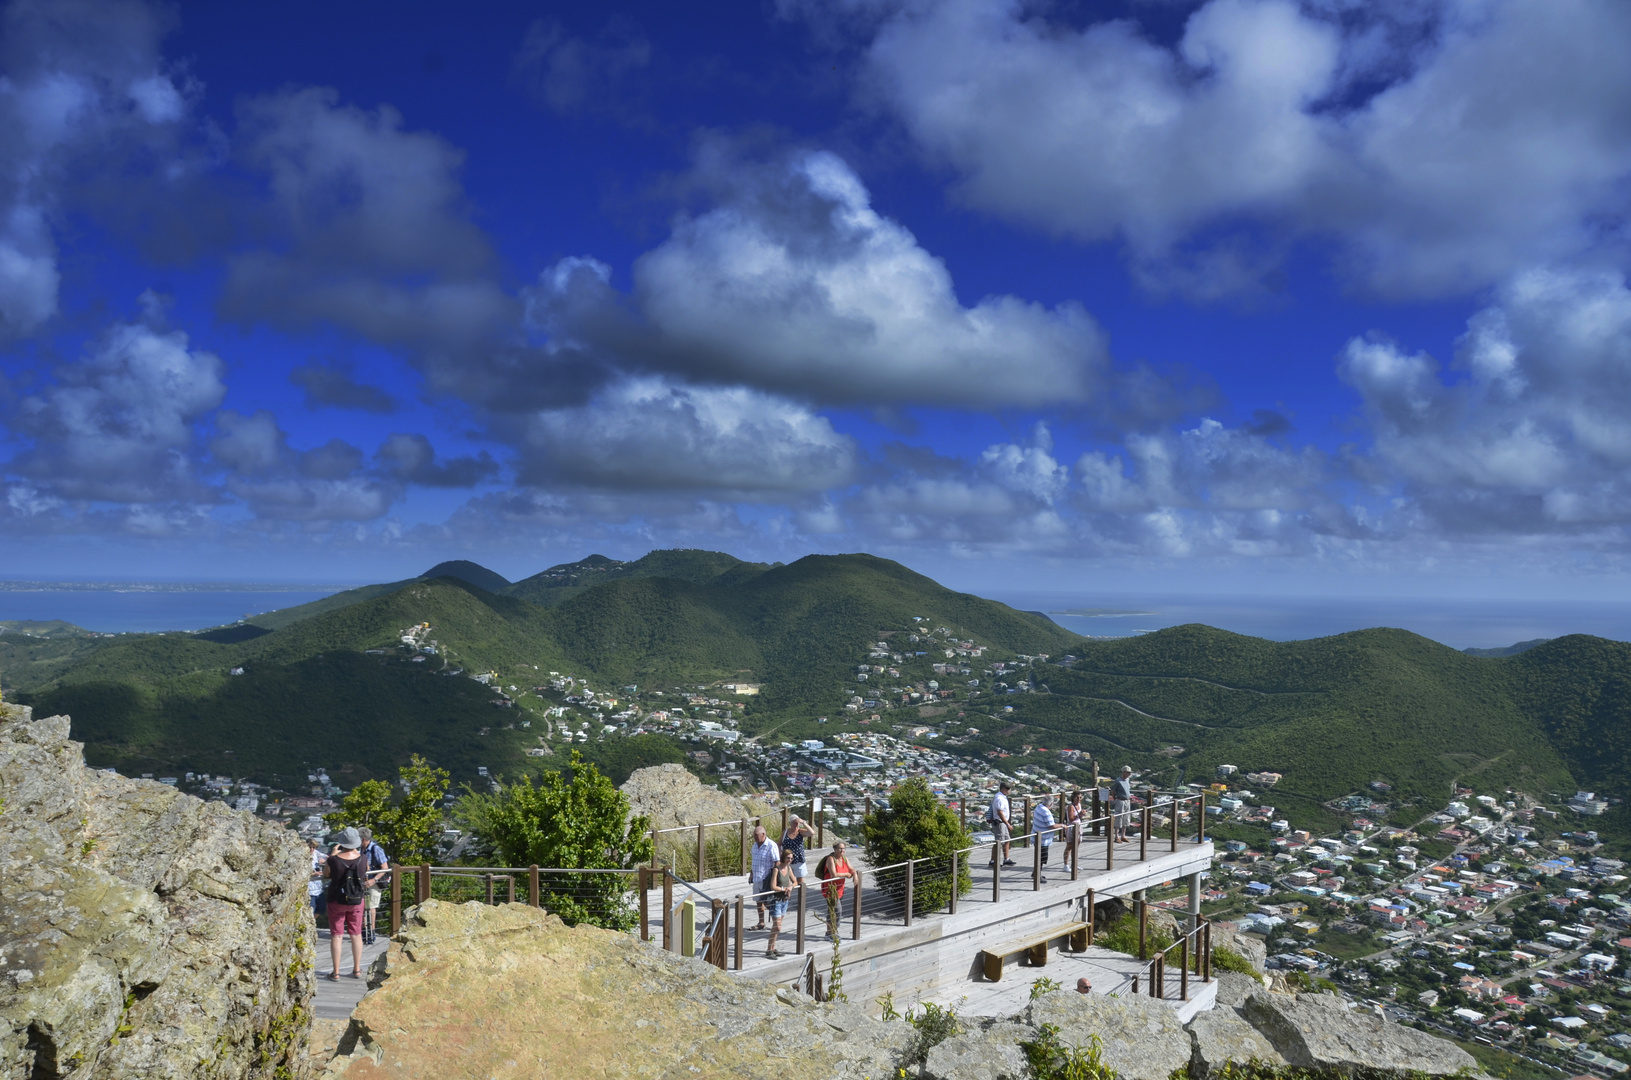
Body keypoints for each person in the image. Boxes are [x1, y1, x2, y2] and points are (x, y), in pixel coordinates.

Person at [323, 827, 368, 980]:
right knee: (356, 935)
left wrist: (334, 854)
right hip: (356, 899)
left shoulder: (334, 860)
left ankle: (335, 972)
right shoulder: (363, 858)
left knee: (337, 936)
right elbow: (365, 871)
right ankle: (356, 969)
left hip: (336, 899)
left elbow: (326, 874)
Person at [814, 842, 859, 942]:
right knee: (837, 911)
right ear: (834, 849)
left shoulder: (844, 859)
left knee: (832, 911)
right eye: (840, 849)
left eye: (843, 849)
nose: (842, 851)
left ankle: (829, 933)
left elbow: (852, 869)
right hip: (830, 889)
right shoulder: (830, 859)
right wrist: (847, 874)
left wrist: (855, 875)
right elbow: (833, 874)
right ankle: (833, 932)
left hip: (840, 889)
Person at [358, 827, 390, 946]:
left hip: (374, 883)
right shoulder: (362, 849)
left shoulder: (376, 849)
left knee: (371, 907)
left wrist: (374, 880)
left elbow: (385, 867)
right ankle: (364, 933)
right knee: (363, 907)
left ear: (364, 839)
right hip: (364, 883)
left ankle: (371, 933)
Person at [765, 848, 796, 959]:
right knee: (777, 927)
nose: (790, 860)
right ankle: (769, 949)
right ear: (783, 857)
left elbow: (795, 881)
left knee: (778, 927)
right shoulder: (776, 870)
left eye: (791, 858)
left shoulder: (789, 868)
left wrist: (791, 887)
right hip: (776, 900)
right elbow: (773, 886)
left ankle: (772, 948)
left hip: (784, 901)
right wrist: (784, 889)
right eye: (788, 858)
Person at [749, 825, 780, 930]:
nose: (755, 838)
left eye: (756, 835)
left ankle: (776, 922)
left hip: (766, 878)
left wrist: (774, 878)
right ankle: (761, 922)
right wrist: (751, 874)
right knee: (758, 901)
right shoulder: (755, 845)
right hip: (757, 877)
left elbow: (777, 862)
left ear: (763, 834)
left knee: (768, 902)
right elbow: (754, 861)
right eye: (754, 835)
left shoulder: (771, 845)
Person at [987, 782, 1014, 866]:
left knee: (1006, 840)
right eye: (1008, 789)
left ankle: (1006, 858)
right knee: (998, 842)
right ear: (1003, 789)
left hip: (1003, 822)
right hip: (999, 822)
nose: (1009, 790)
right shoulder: (999, 798)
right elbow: (1000, 812)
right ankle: (993, 861)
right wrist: (1007, 823)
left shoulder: (1003, 797)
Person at [781, 816, 815, 883]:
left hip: (798, 859)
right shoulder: (785, 832)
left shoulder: (800, 832)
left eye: (797, 823)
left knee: (800, 879)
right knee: (787, 879)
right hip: (787, 859)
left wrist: (804, 823)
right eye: (794, 823)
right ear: (790, 823)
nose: (796, 825)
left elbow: (811, 833)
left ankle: (801, 893)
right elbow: (779, 843)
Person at [1032, 798, 1056, 883]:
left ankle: (1035, 873)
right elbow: (1051, 826)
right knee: (1041, 858)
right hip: (1043, 839)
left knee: (1038, 857)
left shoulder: (1039, 807)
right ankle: (1037, 876)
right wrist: (1062, 826)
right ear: (1051, 804)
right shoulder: (1046, 812)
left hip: (1037, 836)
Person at [306, 837, 327, 926]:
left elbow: (326, 857)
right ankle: (309, 925)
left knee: (322, 907)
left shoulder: (315, 854)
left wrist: (324, 861)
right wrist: (314, 873)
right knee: (312, 908)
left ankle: (311, 923)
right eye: (310, 847)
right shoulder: (303, 856)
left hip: (318, 888)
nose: (312, 849)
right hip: (310, 888)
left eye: (313, 847)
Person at [1111, 767, 1134, 843]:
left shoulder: (1127, 780)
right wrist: (1115, 799)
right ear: (1123, 772)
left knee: (1126, 818)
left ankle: (1123, 835)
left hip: (1127, 801)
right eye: (1128, 772)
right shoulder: (1118, 781)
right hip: (1120, 800)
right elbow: (1113, 791)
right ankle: (1117, 836)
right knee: (1119, 817)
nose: (1129, 774)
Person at [1063, 791, 1084, 874]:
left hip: (1078, 826)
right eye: (1077, 798)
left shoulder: (1079, 805)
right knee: (1069, 846)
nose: (1079, 799)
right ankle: (1066, 865)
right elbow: (1071, 819)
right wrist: (1079, 815)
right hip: (1071, 827)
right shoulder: (1070, 807)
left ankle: (1074, 863)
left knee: (1076, 845)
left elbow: (1078, 817)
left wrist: (1081, 815)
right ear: (1073, 798)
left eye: (1080, 798)